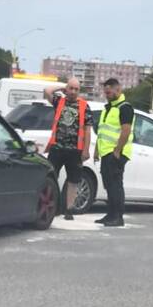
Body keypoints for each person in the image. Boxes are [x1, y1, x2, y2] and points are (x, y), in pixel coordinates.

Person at [43, 77, 92, 221]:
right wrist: (61, 87)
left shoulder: (84, 106)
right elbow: (47, 91)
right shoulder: (59, 101)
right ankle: (53, 206)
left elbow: (87, 130)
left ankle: (69, 209)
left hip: (75, 150)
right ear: (67, 89)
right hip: (57, 147)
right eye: (71, 88)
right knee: (51, 177)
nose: (73, 92)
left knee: (73, 180)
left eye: (76, 89)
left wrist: (86, 150)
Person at [93, 77, 134, 227]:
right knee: (108, 185)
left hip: (117, 153)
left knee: (116, 185)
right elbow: (102, 132)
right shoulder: (108, 108)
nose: (107, 94)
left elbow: (126, 131)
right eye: (106, 92)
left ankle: (118, 216)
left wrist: (117, 151)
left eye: (109, 92)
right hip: (106, 152)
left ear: (118, 89)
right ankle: (110, 214)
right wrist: (97, 150)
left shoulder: (125, 107)